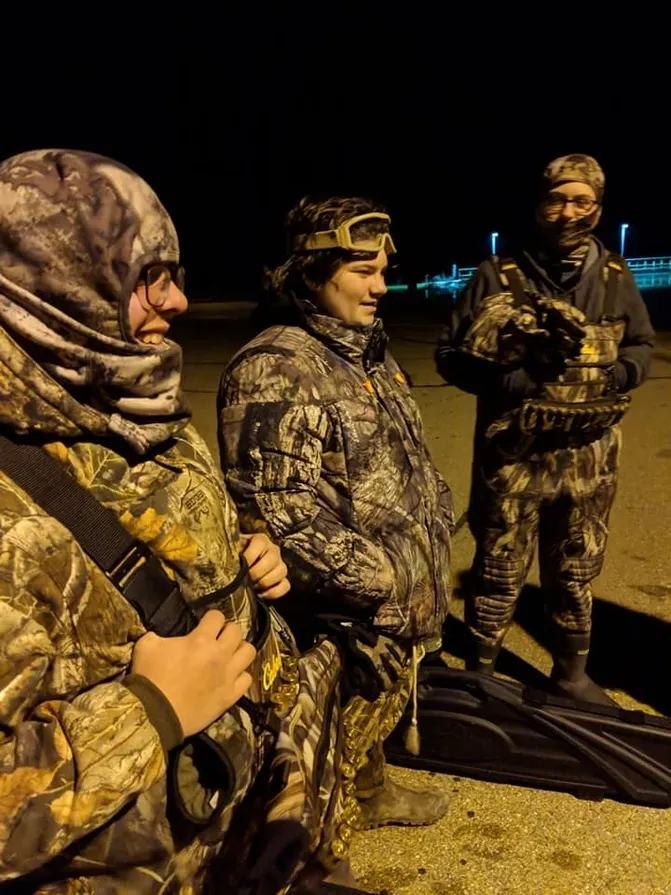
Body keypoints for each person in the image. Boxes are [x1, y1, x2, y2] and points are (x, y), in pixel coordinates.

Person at [0, 149, 347, 894]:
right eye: (142, 276)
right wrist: (145, 710)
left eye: (174, 273)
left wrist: (238, 562)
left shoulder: (137, 405)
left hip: (236, 835)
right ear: (52, 280)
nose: (178, 300)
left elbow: (160, 544)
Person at [217, 196, 454, 836]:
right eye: (361, 270)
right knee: (314, 750)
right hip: (338, 615)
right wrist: (379, 582)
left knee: (367, 716)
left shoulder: (366, 353)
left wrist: (435, 514)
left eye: (382, 268)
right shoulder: (278, 367)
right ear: (311, 270)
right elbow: (276, 513)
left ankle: (371, 790)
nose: (380, 285)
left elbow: (403, 457)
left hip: (384, 604)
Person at [436, 154, 655, 704]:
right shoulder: (497, 275)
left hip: (589, 459)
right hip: (515, 458)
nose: (567, 213)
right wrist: (512, 377)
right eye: (557, 199)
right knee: (499, 567)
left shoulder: (615, 277)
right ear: (539, 204)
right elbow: (449, 355)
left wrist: (618, 374)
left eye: (581, 201)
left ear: (598, 209)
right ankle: (481, 670)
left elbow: (641, 347)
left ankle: (571, 673)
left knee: (577, 569)